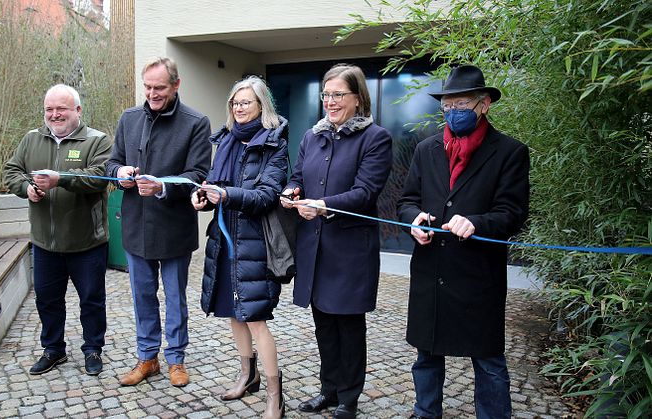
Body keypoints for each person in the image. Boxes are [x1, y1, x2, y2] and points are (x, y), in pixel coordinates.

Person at [397, 64, 530, 419]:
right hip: (431, 269)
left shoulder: (510, 152)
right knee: (426, 355)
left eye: (461, 105)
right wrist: (414, 220)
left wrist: (476, 222)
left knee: (488, 360)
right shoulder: (426, 149)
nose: (453, 112)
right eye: (447, 106)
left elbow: (513, 213)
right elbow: (407, 199)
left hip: (477, 275)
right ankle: (426, 412)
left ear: (484, 104)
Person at [281, 64, 393, 419]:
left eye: (338, 95)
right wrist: (291, 191)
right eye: (326, 94)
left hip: (350, 251)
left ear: (358, 98)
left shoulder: (375, 138)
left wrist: (323, 205)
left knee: (348, 325)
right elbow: (298, 175)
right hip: (314, 247)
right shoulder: (312, 137)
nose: (329, 101)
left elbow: (365, 193)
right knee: (323, 325)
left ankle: (349, 398)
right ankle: (328, 390)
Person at [105, 57, 211, 387]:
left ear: (176, 85)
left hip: (175, 227)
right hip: (137, 227)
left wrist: (163, 186)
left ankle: (176, 359)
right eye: (147, 87)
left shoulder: (196, 122)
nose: (152, 94)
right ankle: (147, 358)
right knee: (143, 297)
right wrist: (119, 174)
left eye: (159, 88)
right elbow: (112, 162)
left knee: (176, 298)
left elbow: (198, 175)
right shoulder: (128, 118)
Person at [191, 76, 289, 418]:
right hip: (225, 241)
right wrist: (202, 197)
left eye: (246, 102)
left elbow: (266, 196)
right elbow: (215, 186)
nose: (239, 108)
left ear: (262, 106)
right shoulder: (228, 141)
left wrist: (227, 195)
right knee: (234, 314)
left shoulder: (274, 144)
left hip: (256, 244)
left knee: (256, 319)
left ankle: (276, 396)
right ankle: (248, 377)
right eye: (235, 102)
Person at [4, 84, 111, 376]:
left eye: (61, 108)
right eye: (49, 109)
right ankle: (53, 350)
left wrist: (59, 179)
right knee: (47, 300)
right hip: (44, 244)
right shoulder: (31, 140)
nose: (55, 114)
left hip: (87, 243)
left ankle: (92, 349)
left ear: (77, 110)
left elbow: (100, 177)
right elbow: (11, 170)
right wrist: (26, 188)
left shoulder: (97, 140)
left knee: (92, 300)